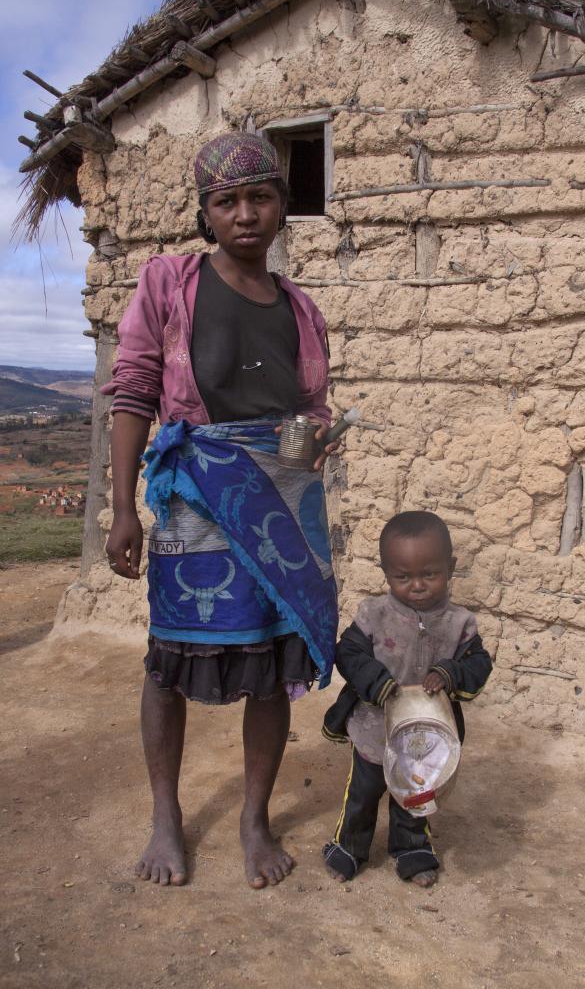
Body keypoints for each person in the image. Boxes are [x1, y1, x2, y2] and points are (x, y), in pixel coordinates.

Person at [103, 132, 339, 890]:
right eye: (226, 200)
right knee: (170, 659)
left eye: (260, 197)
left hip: (283, 497)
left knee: (274, 664)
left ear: (281, 207)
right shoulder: (169, 283)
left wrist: (317, 439)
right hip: (196, 497)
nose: (245, 213)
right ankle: (166, 816)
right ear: (206, 213)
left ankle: (253, 818)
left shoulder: (301, 308)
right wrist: (122, 510)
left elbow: (309, 407)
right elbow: (135, 391)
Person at [321, 511, 492, 886]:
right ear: (386, 575)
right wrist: (376, 682)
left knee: (416, 793)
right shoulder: (373, 615)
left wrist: (450, 672)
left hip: (427, 737)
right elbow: (348, 654)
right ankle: (349, 846)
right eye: (403, 577)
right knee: (363, 795)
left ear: (451, 567)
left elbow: (479, 665)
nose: (416, 585)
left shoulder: (459, 623)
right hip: (374, 732)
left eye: (429, 574)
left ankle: (412, 849)